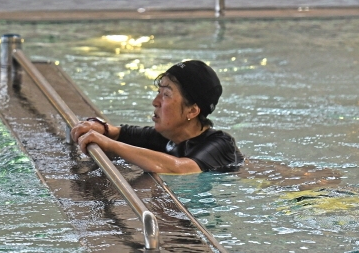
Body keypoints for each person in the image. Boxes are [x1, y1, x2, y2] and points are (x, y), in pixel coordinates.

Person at [69, 59, 243, 174]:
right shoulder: (169, 137)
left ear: (192, 111)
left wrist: (110, 145)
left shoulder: (220, 144)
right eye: (158, 92)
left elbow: (181, 168)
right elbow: (120, 133)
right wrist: (101, 127)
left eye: (166, 95)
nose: (155, 102)